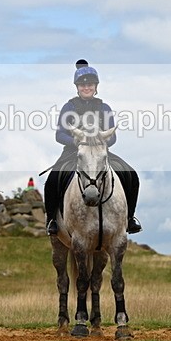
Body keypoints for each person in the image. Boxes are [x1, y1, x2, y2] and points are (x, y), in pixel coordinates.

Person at [43, 59, 142, 236]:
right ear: (77, 87)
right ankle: (52, 220)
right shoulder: (69, 107)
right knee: (53, 179)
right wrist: (77, 143)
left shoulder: (104, 108)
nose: (86, 87)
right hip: (74, 152)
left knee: (131, 175)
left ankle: (129, 218)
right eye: (82, 85)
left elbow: (112, 137)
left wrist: (99, 144)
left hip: (100, 153)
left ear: (96, 86)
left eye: (89, 84)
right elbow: (60, 135)